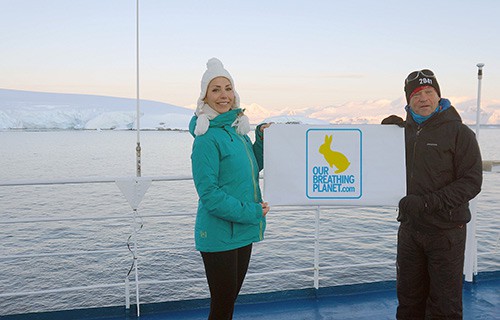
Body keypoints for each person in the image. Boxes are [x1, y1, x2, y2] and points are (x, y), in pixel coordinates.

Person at [383, 69, 483, 319]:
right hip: (410, 230)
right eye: (416, 94)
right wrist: (382, 138)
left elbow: (471, 182)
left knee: (444, 304)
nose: (423, 98)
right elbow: (374, 166)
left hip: (447, 231)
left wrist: (427, 204)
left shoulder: (460, 133)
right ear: (408, 100)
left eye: (429, 92)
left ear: (439, 96)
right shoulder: (400, 133)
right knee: (408, 299)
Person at [189, 57, 270, 320]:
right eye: (216, 89)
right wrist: (253, 212)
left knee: (229, 302)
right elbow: (209, 195)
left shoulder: (237, 132)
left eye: (228, 88)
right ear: (205, 97)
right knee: (222, 307)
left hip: (241, 231)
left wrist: (262, 141)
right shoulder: (206, 139)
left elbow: (250, 169)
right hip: (219, 233)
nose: (224, 95)